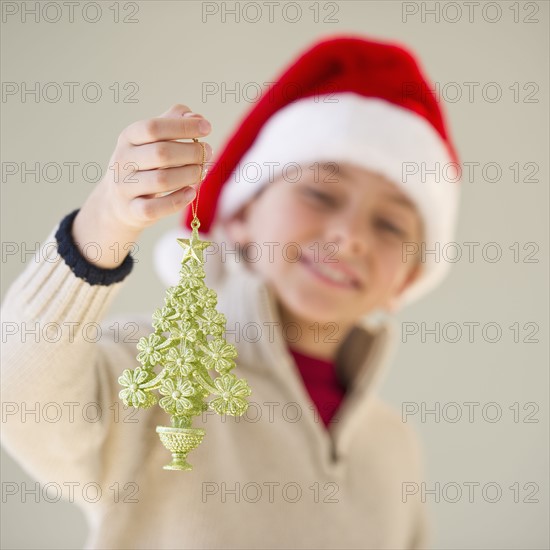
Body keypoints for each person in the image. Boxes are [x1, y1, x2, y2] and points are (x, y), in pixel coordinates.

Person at [1, 34, 461, 549]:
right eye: (320, 193)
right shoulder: (159, 371)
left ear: (407, 278)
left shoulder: (393, 446)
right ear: (239, 216)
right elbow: (21, 392)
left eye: (390, 226)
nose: (351, 235)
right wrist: (104, 223)